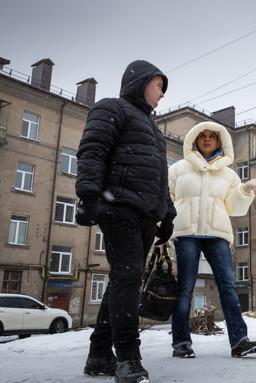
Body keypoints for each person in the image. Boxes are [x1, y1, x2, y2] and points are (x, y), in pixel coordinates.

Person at [75, 60, 176, 383]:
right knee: (128, 278)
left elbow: (159, 178)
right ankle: (128, 358)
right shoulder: (111, 108)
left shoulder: (154, 131)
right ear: (141, 82)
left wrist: (168, 214)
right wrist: (89, 195)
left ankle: (100, 354)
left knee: (123, 279)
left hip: (146, 214)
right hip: (118, 206)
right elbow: (92, 151)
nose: (162, 94)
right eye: (159, 85)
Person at [168, 121, 256, 359]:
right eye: (202, 135)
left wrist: (245, 188)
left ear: (220, 141)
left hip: (217, 236)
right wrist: (165, 228)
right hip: (186, 234)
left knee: (228, 287)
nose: (207, 139)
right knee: (184, 289)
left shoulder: (228, 174)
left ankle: (239, 341)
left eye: (212, 136)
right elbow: (168, 201)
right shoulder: (178, 169)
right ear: (194, 139)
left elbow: (233, 207)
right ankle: (181, 342)